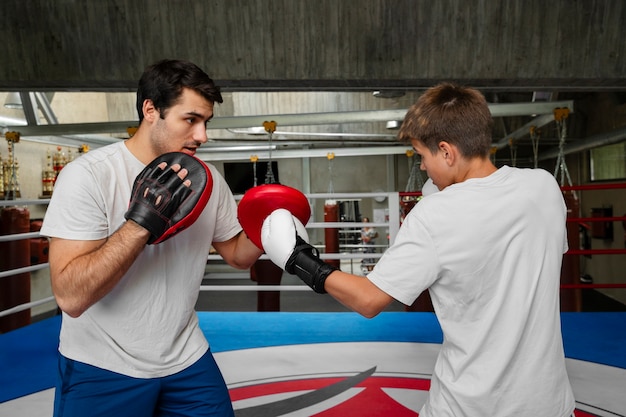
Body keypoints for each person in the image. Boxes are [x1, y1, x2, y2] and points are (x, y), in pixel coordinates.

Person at [260, 83, 576, 416]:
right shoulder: (543, 186)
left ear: (446, 152)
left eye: (423, 157)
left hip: (471, 408)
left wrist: (299, 260)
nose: (423, 168)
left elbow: (369, 300)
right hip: (551, 405)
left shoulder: (435, 215)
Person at [40, 59, 263, 417]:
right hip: (102, 364)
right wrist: (140, 222)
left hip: (186, 357)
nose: (202, 135)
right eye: (190, 120)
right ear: (150, 110)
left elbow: (238, 255)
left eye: (206, 122)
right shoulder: (89, 176)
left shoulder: (208, 180)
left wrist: (268, 226)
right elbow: (71, 296)